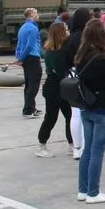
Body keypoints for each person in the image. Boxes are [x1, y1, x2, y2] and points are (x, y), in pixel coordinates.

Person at [75, 19, 105, 204]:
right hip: (103, 107)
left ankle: (83, 189)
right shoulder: (103, 59)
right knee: (97, 151)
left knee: (88, 149)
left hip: (87, 105)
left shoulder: (81, 56)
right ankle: (93, 192)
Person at [36, 22, 73, 158]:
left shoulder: (50, 49)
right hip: (56, 86)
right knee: (52, 117)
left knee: (68, 115)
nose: (68, 31)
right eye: (66, 29)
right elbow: (61, 69)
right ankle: (42, 145)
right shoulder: (60, 52)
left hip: (55, 85)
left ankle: (71, 144)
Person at [65, 7, 91, 159]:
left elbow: (67, 59)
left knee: (75, 114)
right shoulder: (86, 37)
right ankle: (85, 146)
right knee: (86, 113)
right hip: (85, 75)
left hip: (72, 75)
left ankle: (76, 148)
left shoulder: (70, 37)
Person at [15, 8, 43, 119]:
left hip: (26, 58)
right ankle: (28, 110)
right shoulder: (33, 28)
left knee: (28, 83)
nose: (38, 15)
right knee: (34, 84)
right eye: (36, 13)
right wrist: (21, 58)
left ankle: (30, 107)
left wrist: (19, 57)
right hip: (32, 57)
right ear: (31, 15)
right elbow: (30, 45)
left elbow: (19, 44)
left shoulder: (22, 27)